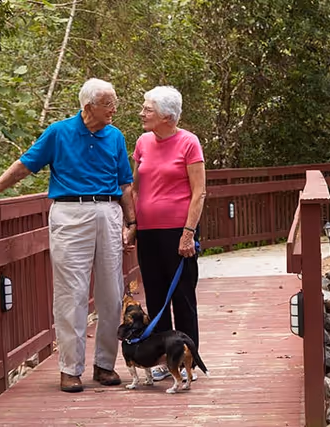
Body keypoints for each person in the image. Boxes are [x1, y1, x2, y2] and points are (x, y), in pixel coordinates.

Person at [0, 78, 137, 393]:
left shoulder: (115, 137)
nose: (115, 109)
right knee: (71, 292)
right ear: (89, 107)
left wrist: (132, 221)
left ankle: (104, 365)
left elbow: (126, 184)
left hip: (109, 213)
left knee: (112, 292)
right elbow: (24, 166)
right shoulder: (59, 132)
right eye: (108, 103)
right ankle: (70, 369)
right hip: (70, 214)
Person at [131, 86, 206, 381]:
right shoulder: (142, 142)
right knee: (157, 297)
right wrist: (133, 224)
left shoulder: (188, 142)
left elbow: (199, 192)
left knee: (183, 297)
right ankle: (164, 359)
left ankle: (189, 360)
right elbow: (134, 187)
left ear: (167, 116)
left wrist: (188, 233)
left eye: (148, 109)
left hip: (179, 230)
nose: (142, 113)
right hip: (148, 232)